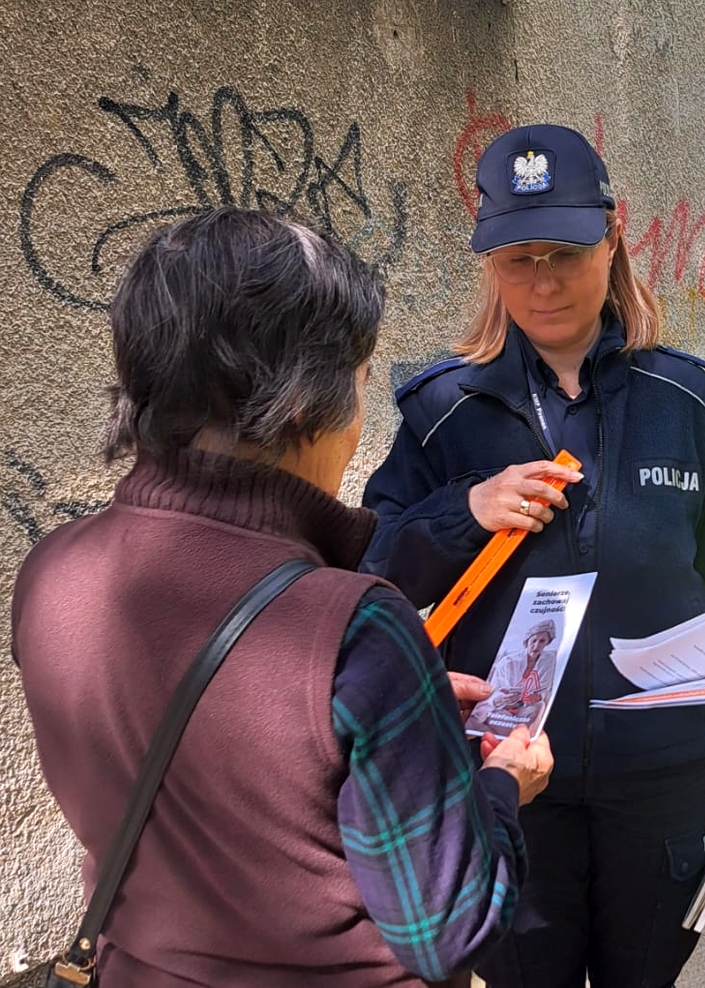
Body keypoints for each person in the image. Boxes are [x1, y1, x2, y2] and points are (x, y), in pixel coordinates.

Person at [11, 207, 553, 988]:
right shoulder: (357, 625)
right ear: (307, 405)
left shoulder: (53, 571)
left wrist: (413, 724)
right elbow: (451, 928)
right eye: (361, 385)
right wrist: (501, 784)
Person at [361, 123, 705, 988]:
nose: (544, 280)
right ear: (489, 263)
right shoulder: (443, 413)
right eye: (517, 258)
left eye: (564, 250)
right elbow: (373, 578)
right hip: (510, 779)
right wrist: (464, 511)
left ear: (614, 232)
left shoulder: (691, 403)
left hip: (659, 780)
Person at [468, 619, 559, 734]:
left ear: (548, 642)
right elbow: (491, 692)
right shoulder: (508, 662)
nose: (536, 645)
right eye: (534, 640)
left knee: (539, 706)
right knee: (512, 731)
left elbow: (544, 692)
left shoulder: (549, 661)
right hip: (499, 708)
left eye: (542, 641)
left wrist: (526, 697)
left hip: (524, 708)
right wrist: (503, 699)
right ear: (527, 641)